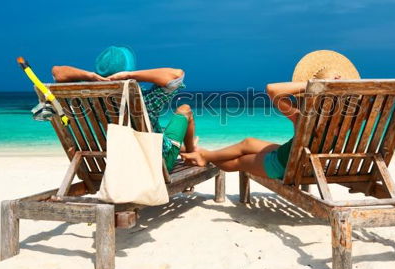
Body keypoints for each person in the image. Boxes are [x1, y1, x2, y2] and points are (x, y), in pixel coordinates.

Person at [181, 50, 360, 180]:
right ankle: (201, 154)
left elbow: (272, 89)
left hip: (285, 165)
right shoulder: (351, 120)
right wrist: (338, 88)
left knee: (238, 162)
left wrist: (314, 86)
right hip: (300, 159)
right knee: (248, 142)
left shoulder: (304, 118)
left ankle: (202, 156)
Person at [51, 45, 195, 172]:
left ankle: (183, 149)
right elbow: (177, 74)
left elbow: (57, 72)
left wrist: (90, 76)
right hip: (156, 166)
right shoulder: (146, 101)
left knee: (158, 129)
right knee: (185, 109)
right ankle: (192, 154)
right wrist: (129, 75)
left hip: (120, 165)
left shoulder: (90, 100)